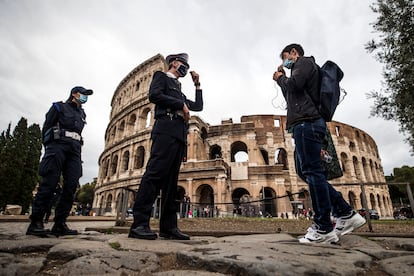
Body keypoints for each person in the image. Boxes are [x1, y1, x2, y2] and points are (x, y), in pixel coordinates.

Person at [273, 43, 365, 244]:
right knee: (306, 171)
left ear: (294, 53)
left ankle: (323, 227)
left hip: (307, 123)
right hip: (304, 124)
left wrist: (281, 78)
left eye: (285, 57)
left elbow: (293, 86)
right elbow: (293, 95)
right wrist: (284, 81)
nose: (284, 62)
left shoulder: (304, 63)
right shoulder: (301, 69)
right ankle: (345, 212)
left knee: (313, 172)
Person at [129, 53, 203, 240]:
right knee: (154, 175)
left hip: (178, 134)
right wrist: (180, 104)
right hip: (165, 129)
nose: (186, 68)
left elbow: (198, 106)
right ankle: (139, 224)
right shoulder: (161, 77)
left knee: (171, 182)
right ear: (175, 63)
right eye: (184, 64)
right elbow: (154, 95)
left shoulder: (179, 89)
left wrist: (197, 85)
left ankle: (168, 228)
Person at [26, 86, 93, 237]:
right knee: (49, 182)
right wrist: (49, 147)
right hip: (57, 146)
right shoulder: (58, 107)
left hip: (74, 150)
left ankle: (60, 223)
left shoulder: (81, 113)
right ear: (74, 94)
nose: (85, 97)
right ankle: (36, 222)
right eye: (83, 94)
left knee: (71, 184)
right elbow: (47, 127)